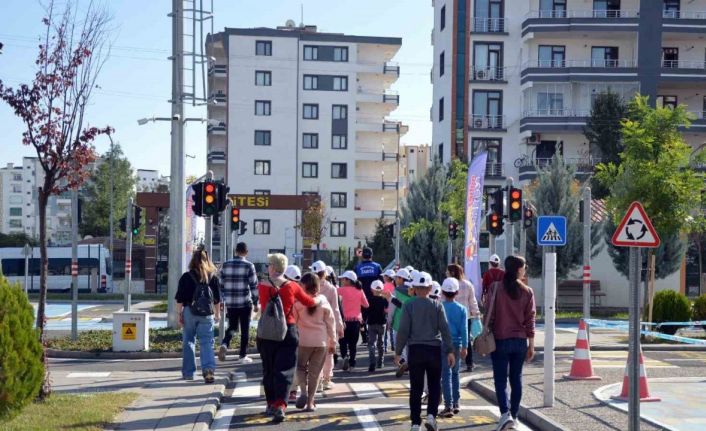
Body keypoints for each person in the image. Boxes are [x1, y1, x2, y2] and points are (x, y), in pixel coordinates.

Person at [257, 253, 323, 423]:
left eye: (268, 265)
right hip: (288, 331)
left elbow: (260, 306)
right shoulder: (292, 286)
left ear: (272, 267)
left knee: (269, 369)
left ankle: (270, 403)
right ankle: (281, 405)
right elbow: (308, 301)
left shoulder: (262, 286)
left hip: (266, 333)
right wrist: (319, 301)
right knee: (285, 369)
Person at [395, 271, 454, 431]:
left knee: (416, 387)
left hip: (415, 350)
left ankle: (415, 423)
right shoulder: (437, 305)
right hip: (434, 349)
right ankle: (431, 416)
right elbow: (445, 329)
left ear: (414, 288)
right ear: (429, 288)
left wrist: (398, 351)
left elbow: (403, 330)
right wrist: (450, 351)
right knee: (434, 385)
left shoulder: (409, 305)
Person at [486, 255, 536, 431]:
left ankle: (505, 414)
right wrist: (531, 345)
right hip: (520, 342)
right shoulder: (527, 291)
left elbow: (489, 315)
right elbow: (530, 320)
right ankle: (514, 416)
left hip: (500, 340)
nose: (525, 270)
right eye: (524, 267)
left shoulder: (495, 288)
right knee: (517, 379)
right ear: (518, 269)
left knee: (500, 379)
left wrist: (486, 332)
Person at [176, 248, 222, 383]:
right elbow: (217, 299)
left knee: (188, 341)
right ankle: (208, 370)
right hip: (207, 314)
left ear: (192, 261)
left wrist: (180, 315)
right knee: (207, 342)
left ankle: (188, 373)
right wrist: (217, 314)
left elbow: (179, 299)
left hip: (189, 311)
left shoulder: (186, 277)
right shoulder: (212, 277)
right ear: (207, 260)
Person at [293, 272, 335, 412]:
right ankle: (310, 403)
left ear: (303, 286)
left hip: (303, 340)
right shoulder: (323, 300)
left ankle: (303, 392)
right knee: (315, 373)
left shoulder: (298, 302)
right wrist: (333, 341)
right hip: (321, 341)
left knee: (300, 367)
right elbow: (331, 321)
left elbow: (293, 321)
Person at [218, 242, 259, 364]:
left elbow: (220, 284)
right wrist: (256, 302)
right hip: (245, 302)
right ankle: (242, 355)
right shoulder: (249, 266)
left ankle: (225, 343)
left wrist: (222, 300)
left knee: (232, 327)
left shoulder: (225, 265)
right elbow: (254, 285)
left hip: (230, 303)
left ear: (235, 251)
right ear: (246, 252)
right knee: (245, 329)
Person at [438, 277, 469, 418]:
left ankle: (448, 405)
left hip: (443, 343)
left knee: (446, 374)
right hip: (457, 344)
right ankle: (457, 403)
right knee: (456, 373)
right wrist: (465, 346)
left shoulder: (439, 306)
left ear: (443, 292)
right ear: (457, 292)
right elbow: (464, 329)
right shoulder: (462, 309)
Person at [311, 260, 344, 390]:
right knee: (328, 353)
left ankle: (316, 380)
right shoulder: (331, 288)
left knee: (314, 355)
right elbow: (336, 309)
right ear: (325, 273)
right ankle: (326, 379)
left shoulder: (308, 286)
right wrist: (340, 326)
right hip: (328, 325)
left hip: (312, 325)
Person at [447, 263, 481, 372]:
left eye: (447, 272)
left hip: (450, 316)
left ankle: (451, 360)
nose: (446, 273)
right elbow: (472, 301)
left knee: (451, 338)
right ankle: (469, 363)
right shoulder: (468, 284)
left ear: (452, 272)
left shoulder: (449, 284)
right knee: (466, 339)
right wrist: (476, 313)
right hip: (466, 316)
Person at [337, 270, 369, 371]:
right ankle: (352, 365)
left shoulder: (341, 290)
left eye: (343, 279)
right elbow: (366, 305)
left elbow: (333, 295)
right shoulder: (360, 291)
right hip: (356, 321)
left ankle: (344, 356)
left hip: (344, 321)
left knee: (342, 340)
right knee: (353, 345)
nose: (342, 280)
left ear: (348, 280)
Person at [386, 268, 414, 378]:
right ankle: (408, 363)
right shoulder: (413, 291)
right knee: (409, 345)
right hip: (411, 323)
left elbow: (392, 309)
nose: (395, 280)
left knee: (400, 345)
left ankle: (404, 364)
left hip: (398, 323)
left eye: (397, 277)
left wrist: (389, 320)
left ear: (401, 279)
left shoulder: (396, 291)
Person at [354, 247, 383, 344]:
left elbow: (354, 282)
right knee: (374, 316)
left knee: (362, 317)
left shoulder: (357, 267)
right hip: (375, 296)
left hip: (361, 297)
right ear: (371, 255)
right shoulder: (377, 266)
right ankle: (375, 338)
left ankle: (364, 337)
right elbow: (381, 282)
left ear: (362, 256)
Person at [367, 280, 389, 372]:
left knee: (372, 344)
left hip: (371, 323)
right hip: (382, 323)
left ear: (372, 289)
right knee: (381, 343)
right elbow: (387, 306)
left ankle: (372, 363)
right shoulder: (384, 300)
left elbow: (366, 310)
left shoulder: (369, 299)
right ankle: (380, 362)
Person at [382, 269, 397, 352]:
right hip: (393, 309)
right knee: (392, 328)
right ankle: (393, 346)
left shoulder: (383, 286)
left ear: (387, 277)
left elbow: (382, 299)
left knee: (385, 329)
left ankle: (385, 347)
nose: (383, 277)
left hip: (385, 309)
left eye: (384, 276)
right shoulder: (395, 286)